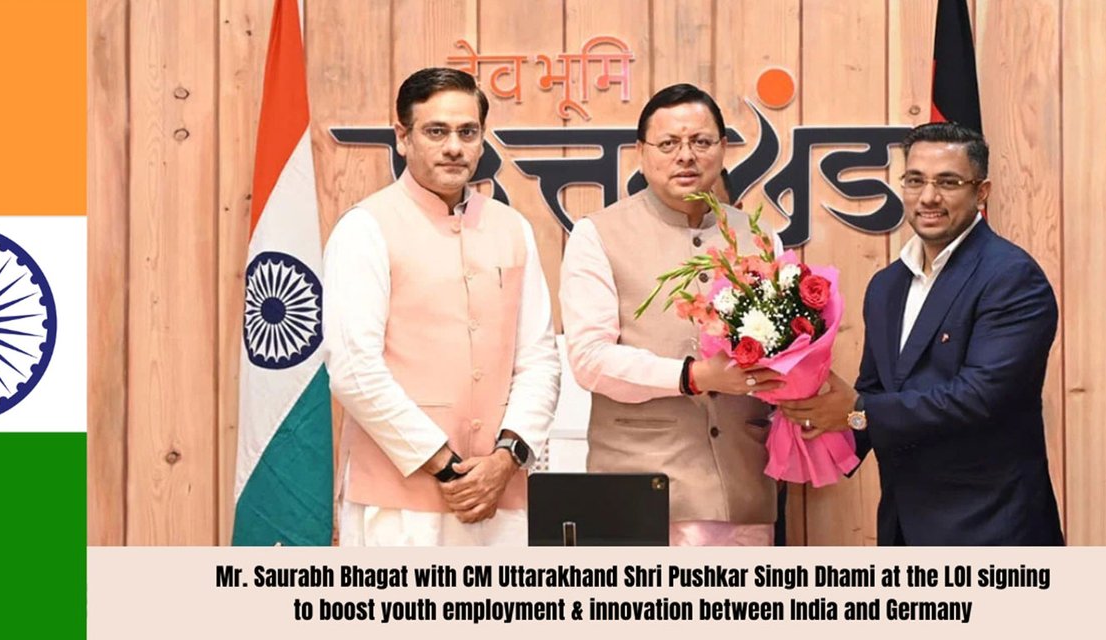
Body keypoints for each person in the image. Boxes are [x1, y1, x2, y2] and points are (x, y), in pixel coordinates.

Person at [779, 121, 1064, 546]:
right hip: (904, 526)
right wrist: (801, 412)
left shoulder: (1011, 277)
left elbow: (979, 398)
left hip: (991, 527)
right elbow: (874, 391)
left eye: (948, 182)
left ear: (981, 192)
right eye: (915, 180)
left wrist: (857, 411)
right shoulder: (886, 286)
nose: (928, 197)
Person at [323, 67, 559, 546]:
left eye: (467, 132)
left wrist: (505, 459)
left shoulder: (513, 228)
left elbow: (539, 360)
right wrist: (446, 467)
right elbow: (354, 370)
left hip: (500, 494)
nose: (454, 147)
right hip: (397, 502)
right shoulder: (365, 228)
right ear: (402, 137)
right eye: (436, 132)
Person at [561, 83, 784, 546]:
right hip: (636, 489)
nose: (686, 156)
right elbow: (589, 359)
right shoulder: (597, 234)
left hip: (742, 487)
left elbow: (787, 351)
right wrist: (693, 376)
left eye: (701, 141)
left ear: (723, 148)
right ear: (641, 153)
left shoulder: (761, 238)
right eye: (668, 144)